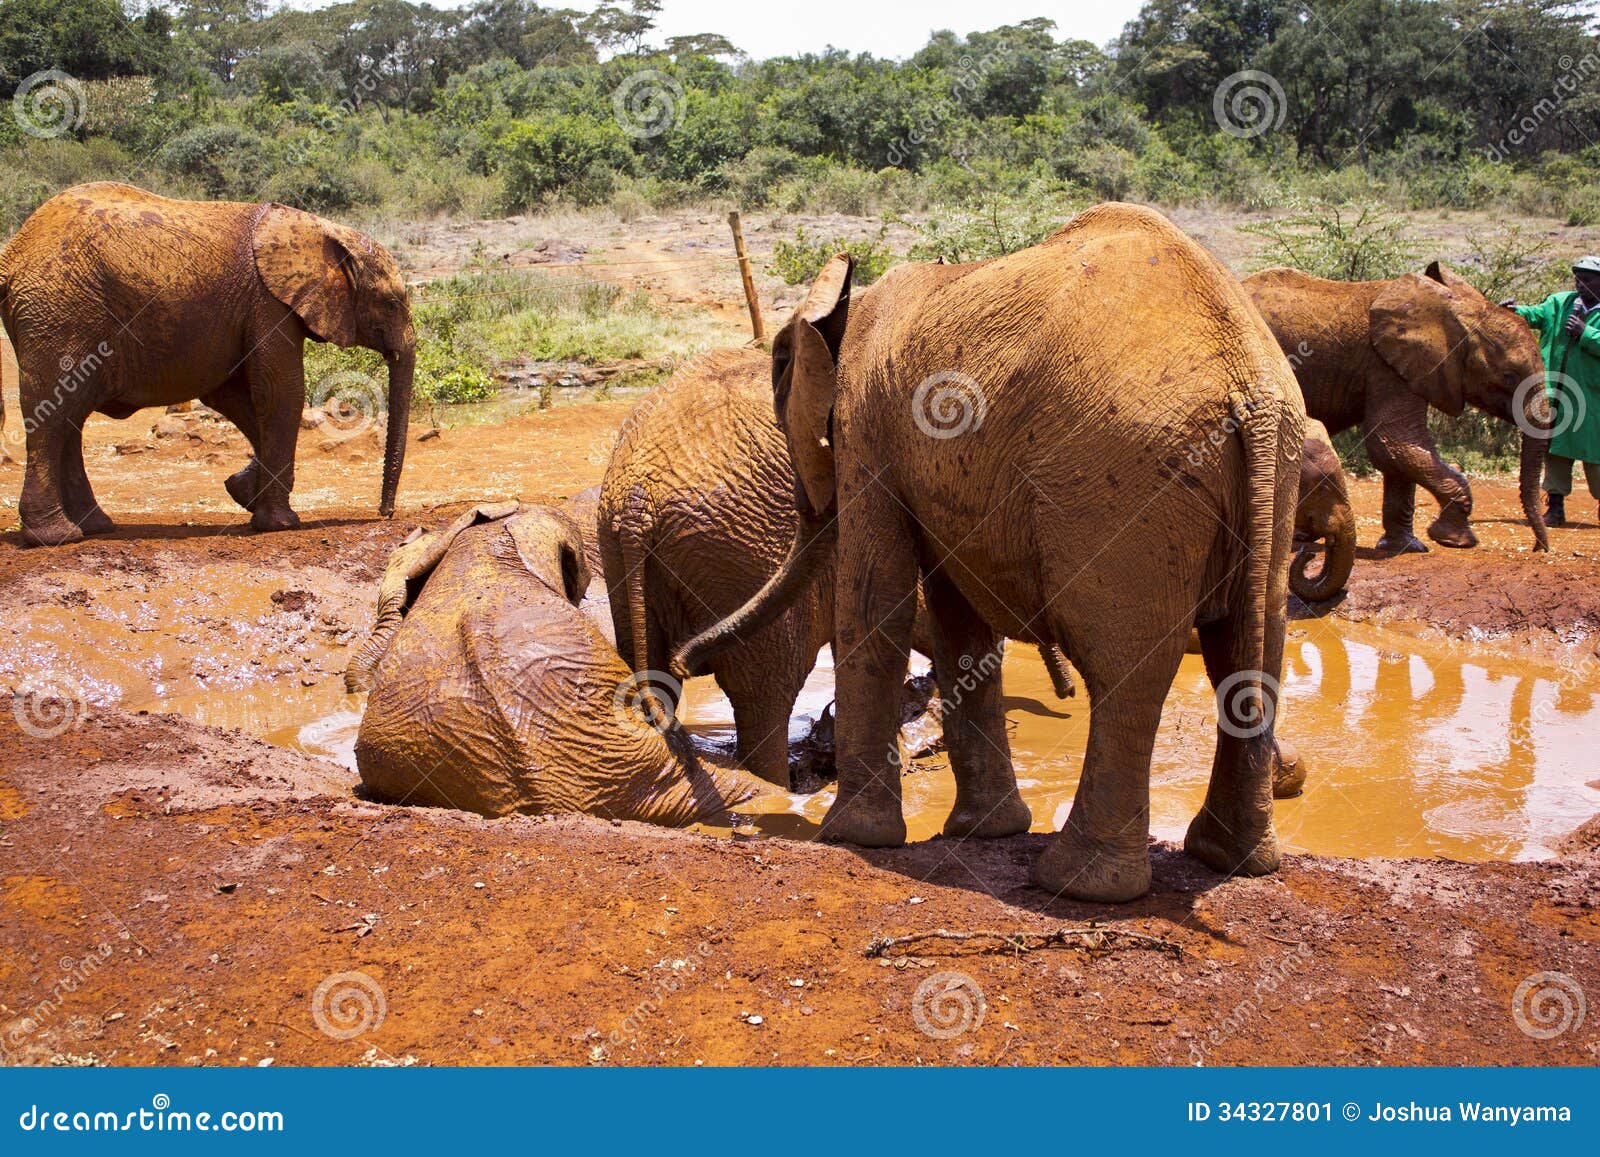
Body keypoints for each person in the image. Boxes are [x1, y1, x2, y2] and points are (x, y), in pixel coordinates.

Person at [1509, 256, 1600, 527]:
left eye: (1589, 279)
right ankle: (1556, 507)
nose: (1581, 284)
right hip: (1556, 393)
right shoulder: (1561, 303)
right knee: (1556, 449)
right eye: (1578, 278)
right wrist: (1514, 311)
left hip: (1593, 397)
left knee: (1596, 454)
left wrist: (1586, 333)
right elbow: (1535, 314)